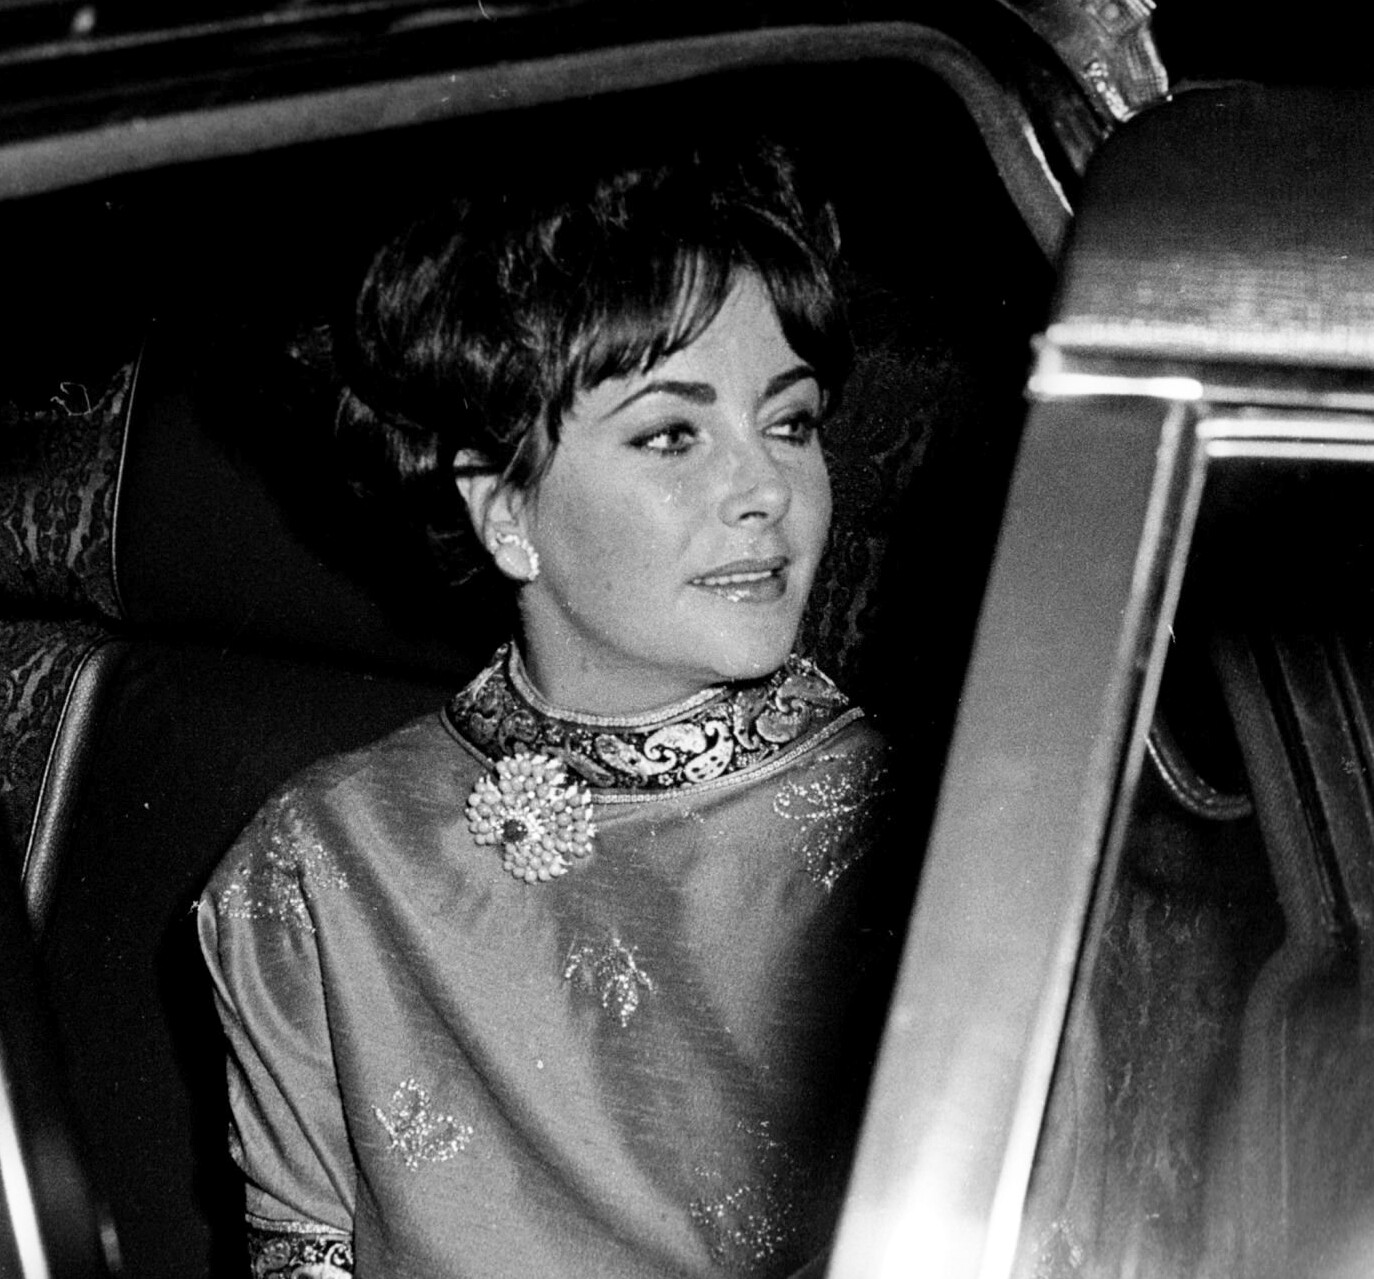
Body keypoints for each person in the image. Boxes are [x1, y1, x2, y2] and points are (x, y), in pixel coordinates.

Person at [198, 139, 902, 1278]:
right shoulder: (318, 865)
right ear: (506, 511)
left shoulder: (921, 853)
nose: (767, 489)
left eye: (791, 422)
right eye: (672, 434)